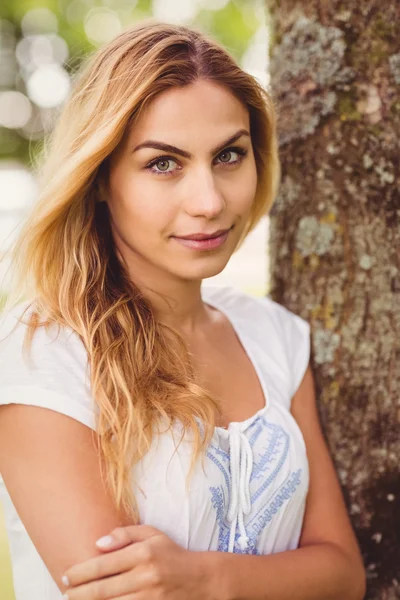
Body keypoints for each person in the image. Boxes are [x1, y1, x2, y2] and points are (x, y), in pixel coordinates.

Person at [0, 19, 366, 600]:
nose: (210, 201)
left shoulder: (274, 335)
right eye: (163, 163)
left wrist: (207, 578)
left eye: (228, 155)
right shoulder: (41, 353)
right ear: (99, 177)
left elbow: (343, 574)